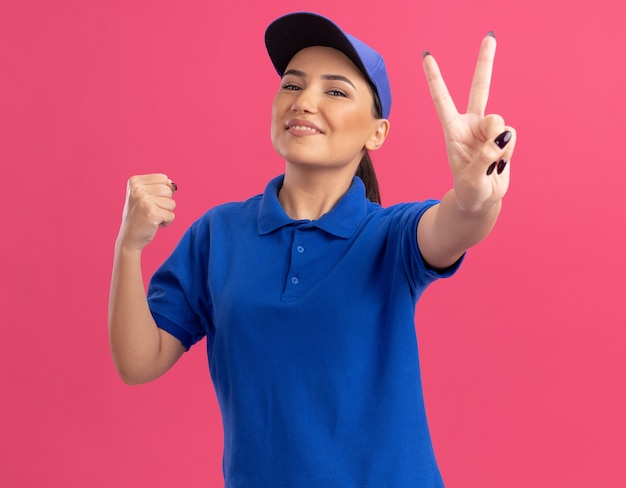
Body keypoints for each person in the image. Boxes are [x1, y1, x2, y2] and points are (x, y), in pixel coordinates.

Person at [108, 11, 516, 487]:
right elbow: (138, 362)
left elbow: (456, 225)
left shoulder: (391, 236)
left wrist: (474, 197)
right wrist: (128, 247)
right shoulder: (218, 234)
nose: (304, 101)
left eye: (336, 91)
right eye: (291, 85)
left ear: (376, 132)